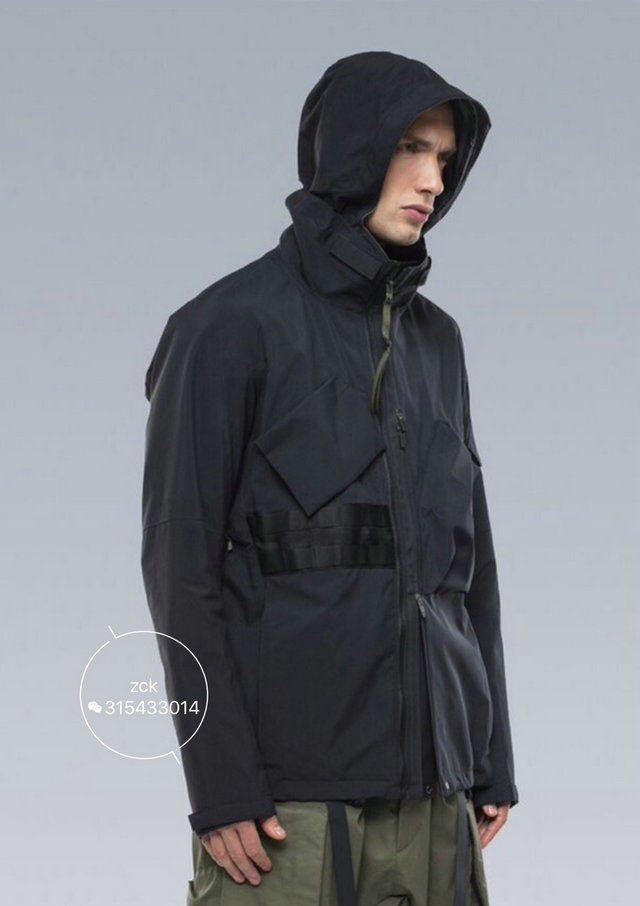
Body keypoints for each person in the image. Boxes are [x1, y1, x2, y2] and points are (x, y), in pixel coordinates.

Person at [141, 50, 519, 906]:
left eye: (445, 159)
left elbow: (472, 569)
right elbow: (178, 567)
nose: (433, 181)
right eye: (411, 148)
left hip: (441, 800)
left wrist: (490, 755)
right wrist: (220, 783)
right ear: (351, 148)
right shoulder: (226, 327)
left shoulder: (439, 343)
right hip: (287, 813)